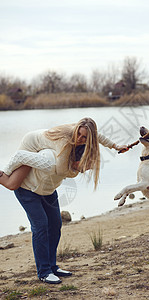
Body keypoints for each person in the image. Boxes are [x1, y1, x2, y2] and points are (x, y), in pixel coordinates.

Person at [0, 117, 128, 284]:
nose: (80, 139)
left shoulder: (82, 141)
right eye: (80, 136)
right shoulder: (63, 146)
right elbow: (61, 171)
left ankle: (52, 267)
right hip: (28, 182)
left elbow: (98, 136)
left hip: (47, 191)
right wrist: (78, 169)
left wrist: (116, 146)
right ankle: (44, 272)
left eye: (85, 138)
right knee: (34, 216)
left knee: (55, 224)